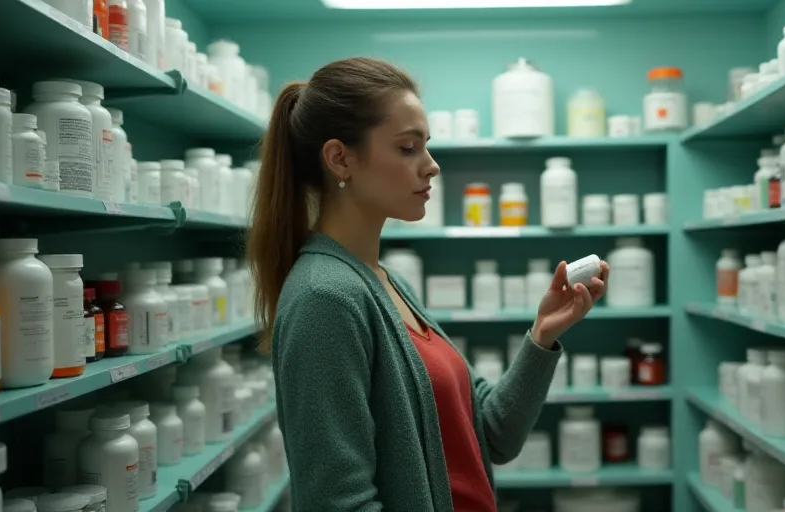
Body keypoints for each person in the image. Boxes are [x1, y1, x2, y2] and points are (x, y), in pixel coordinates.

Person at [246, 57, 609, 512]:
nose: (431, 166)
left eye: (426, 146)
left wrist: (543, 335)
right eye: (407, 148)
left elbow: (493, 435)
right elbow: (338, 503)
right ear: (340, 158)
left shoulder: (387, 283)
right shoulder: (326, 299)